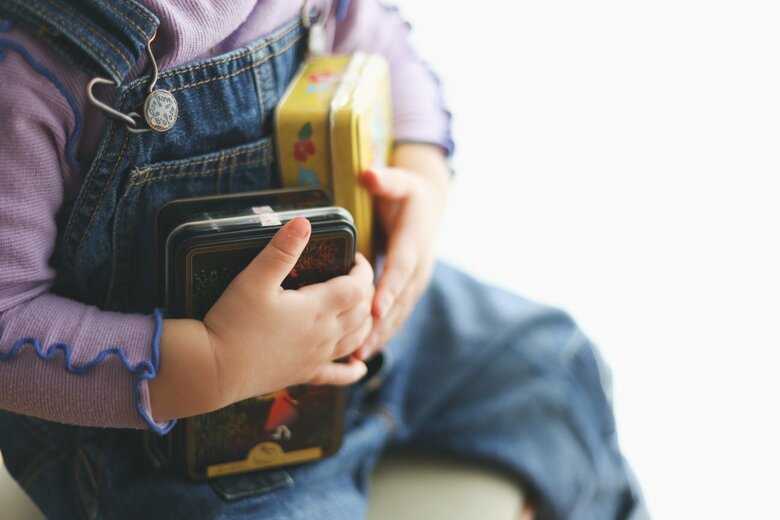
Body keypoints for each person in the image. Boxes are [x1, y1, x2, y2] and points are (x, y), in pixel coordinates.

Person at [0, 0, 647, 518]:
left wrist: (422, 182)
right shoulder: (32, 63)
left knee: (550, 361)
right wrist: (217, 362)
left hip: (358, 316)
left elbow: (384, 44)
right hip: (169, 437)